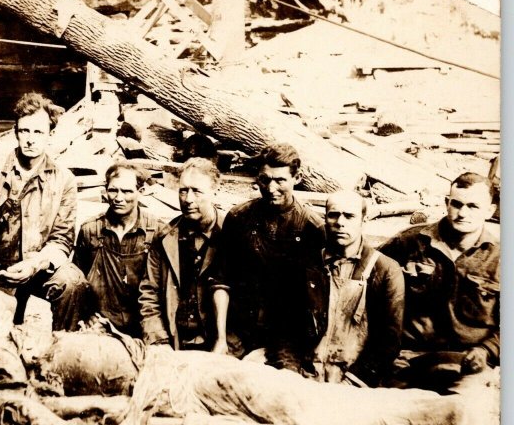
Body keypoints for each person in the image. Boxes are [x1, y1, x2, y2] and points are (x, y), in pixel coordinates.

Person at [0, 92, 88, 332]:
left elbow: (62, 238)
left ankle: (60, 348)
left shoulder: (63, 179)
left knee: (71, 282)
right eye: (24, 131)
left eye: (38, 132)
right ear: (16, 132)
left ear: (50, 135)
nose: (30, 140)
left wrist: (35, 264)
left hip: (36, 267)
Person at [380, 172, 499, 391]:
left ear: (490, 210)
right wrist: (385, 348)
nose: (462, 213)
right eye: (457, 204)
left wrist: (487, 351)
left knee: (463, 413)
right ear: (447, 203)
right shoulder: (409, 242)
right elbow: (370, 283)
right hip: (408, 358)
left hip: (468, 363)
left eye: (473, 206)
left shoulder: (500, 259)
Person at [274, 191, 405, 387]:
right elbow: (286, 328)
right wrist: (290, 372)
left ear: (364, 220)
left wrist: (352, 382)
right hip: (306, 373)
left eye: (349, 216)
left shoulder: (385, 269)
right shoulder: (307, 264)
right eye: (333, 215)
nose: (340, 222)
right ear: (325, 218)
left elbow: (388, 341)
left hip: (357, 377)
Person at [211, 143, 325, 359]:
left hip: (288, 333)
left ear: (297, 178)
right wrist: (221, 339)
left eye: (280, 180)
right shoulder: (239, 218)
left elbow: (320, 299)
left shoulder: (313, 228)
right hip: (241, 327)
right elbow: (221, 280)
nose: (271, 188)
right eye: (265, 180)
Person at [139, 158, 226, 352]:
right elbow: (149, 294)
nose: (188, 199)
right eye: (183, 190)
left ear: (215, 192)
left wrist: (229, 345)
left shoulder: (232, 234)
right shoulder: (164, 237)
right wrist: (158, 342)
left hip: (220, 346)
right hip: (174, 344)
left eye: (196, 191)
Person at [74, 162, 164, 337]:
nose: (118, 198)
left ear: (142, 191)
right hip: (100, 324)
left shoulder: (158, 231)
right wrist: (88, 315)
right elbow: (78, 283)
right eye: (113, 190)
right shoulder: (91, 230)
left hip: (144, 324)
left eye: (127, 191)